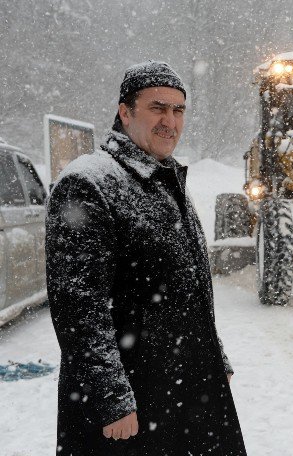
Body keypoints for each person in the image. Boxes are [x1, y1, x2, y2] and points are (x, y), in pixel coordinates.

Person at [46, 61, 247, 456]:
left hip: (186, 383)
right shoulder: (90, 183)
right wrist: (111, 398)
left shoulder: (167, 179)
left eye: (178, 110)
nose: (170, 122)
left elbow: (189, 286)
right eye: (157, 108)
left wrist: (213, 354)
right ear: (125, 112)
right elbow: (78, 308)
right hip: (132, 397)